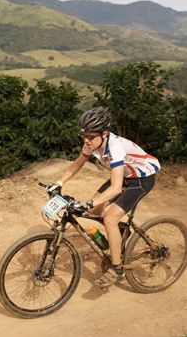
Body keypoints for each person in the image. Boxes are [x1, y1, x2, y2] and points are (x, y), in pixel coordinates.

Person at [49, 107, 161, 288]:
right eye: (84, 135)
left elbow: (116, 188)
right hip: (125, 176)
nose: (87, 140)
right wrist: (59, 183)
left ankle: (117, 268)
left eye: (91, 137)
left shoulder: (115, 147)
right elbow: (77, 164)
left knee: (109, 218)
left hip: (141, 179)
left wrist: (87, 202)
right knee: (94, 210)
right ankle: (121, 232)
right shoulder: (91, 143)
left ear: (105, 133)